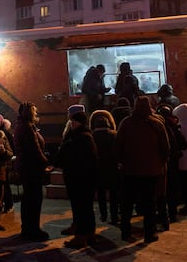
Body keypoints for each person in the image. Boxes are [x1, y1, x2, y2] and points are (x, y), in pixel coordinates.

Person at [115, 96, 169, 244]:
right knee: (149, 203)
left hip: (130, 170)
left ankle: (125, 232)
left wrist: (122, 161)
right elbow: (165, 148)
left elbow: (117, 145)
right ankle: (149, 233)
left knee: (127, 203)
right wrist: (160, 163)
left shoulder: (126, 123)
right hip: (151, 171)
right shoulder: (156, 124)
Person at [54, 104, 99, 249]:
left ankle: (80, 237)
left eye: (74, 121)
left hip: (77, 178)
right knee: (86, 208)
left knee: (80, 207)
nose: (72, 123)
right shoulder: (87, 136)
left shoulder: (77, 138)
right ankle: (90, 235)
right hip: (86, 177)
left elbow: (66, 156)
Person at [15, 101, 52, 241]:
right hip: (32, 168)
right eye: (34, 111)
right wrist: (46, 163)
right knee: (34, 199)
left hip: (26, 167)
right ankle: (33, 230)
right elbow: (34, 149)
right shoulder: (27, 128)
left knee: (28, 198)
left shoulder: (22, 126)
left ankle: (27, 228)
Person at [90, 109, 121, 225]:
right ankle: (114, 216)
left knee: (101, 194)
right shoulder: (114, 134)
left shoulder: (92, 136)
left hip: (98, 169)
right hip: (112, 168)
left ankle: (103, 215)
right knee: (114, 195)